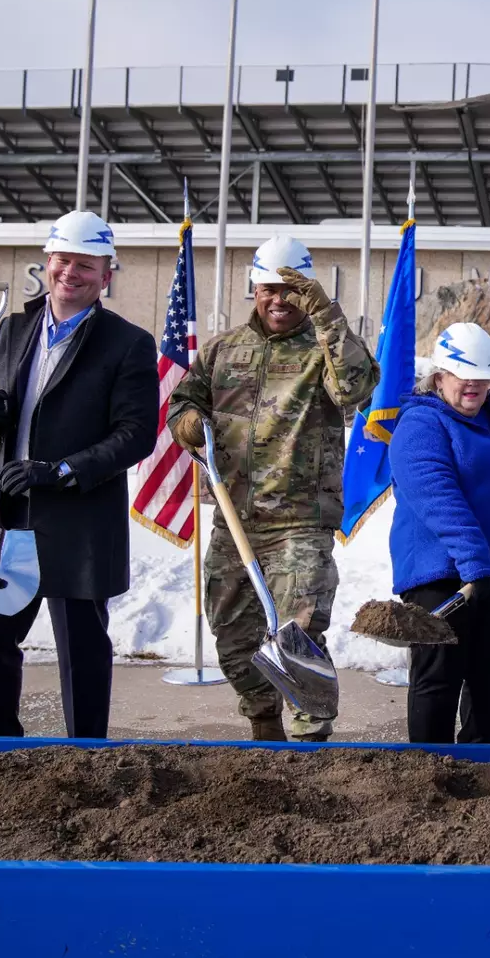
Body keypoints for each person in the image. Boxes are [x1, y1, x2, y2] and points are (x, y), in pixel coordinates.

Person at [167, 235, 379, 742]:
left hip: (299, 521)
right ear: (254, 290)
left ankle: (310, 738)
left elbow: (354, 387)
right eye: (269, 289)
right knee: (231, 634)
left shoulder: (325, 349)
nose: (279, 300)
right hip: (234, 519)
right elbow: (182, 402)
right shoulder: (222, 350)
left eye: (291, 290)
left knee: (299, 630)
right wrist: (189, 421)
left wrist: (326, 313)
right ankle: (265, 726)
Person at [0, 210, 159, 738]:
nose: (72, 273)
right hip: (6, 513)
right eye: (63, 261)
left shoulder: (128, 343)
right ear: (47, 263)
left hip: (79, 522)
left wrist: (62, 470)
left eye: (86, 265)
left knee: (82, 648)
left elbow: (135, 435)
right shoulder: (9, 329)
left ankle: (86, 753)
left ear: (106, 276)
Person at [387, 323, 490, 744]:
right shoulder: (421, 426)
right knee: (439, 678)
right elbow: (441, 502)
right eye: (462, 373)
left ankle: (479, 762)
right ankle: (429, 771)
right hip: (439, 577)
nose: (473, 383)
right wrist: (474, 564)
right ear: (439, 376)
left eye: (482, 374)